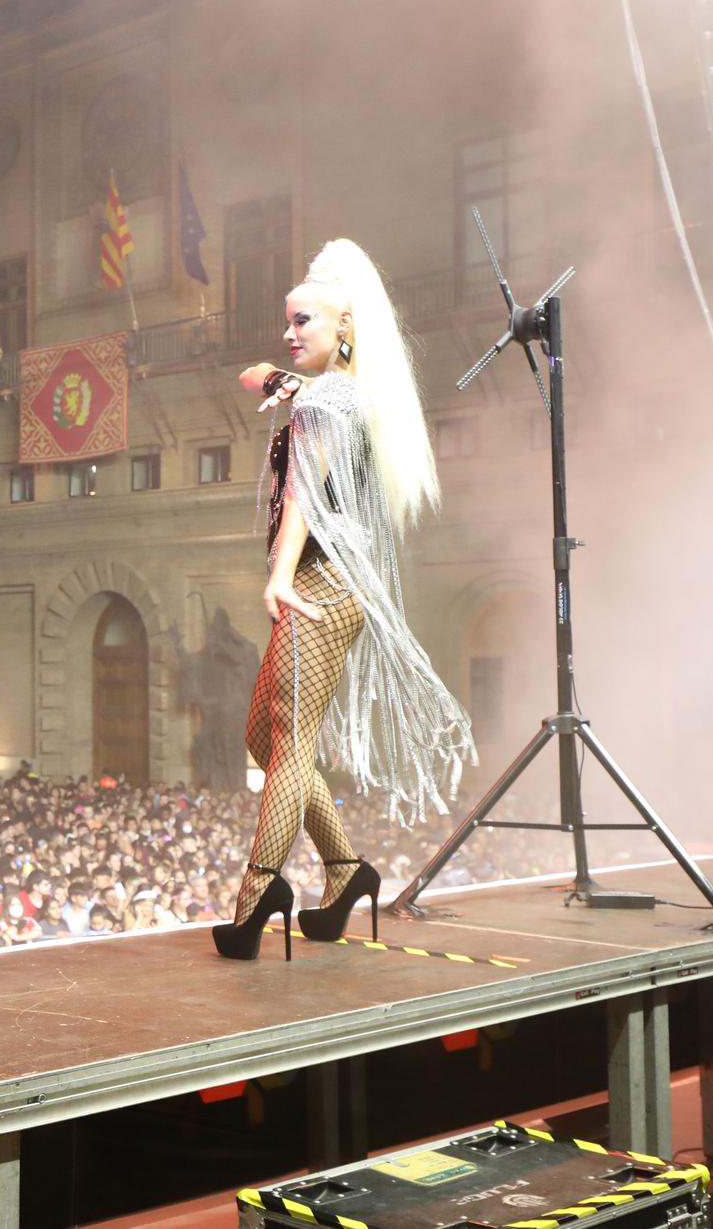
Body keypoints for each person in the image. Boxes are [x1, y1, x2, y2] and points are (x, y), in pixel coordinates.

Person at [215, 241, 475, 961]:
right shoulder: (343, 391)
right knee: (264, 736)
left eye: (305, 321)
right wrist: (276, 377)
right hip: (335, 584)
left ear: (345, 325)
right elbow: (299, 400)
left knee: (287, 736)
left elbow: (302, 488)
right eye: (287, 322)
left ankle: (259, 889)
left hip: (322, 585)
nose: (290, 332)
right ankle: (344, 869)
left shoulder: (329, 397)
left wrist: (278, 573)